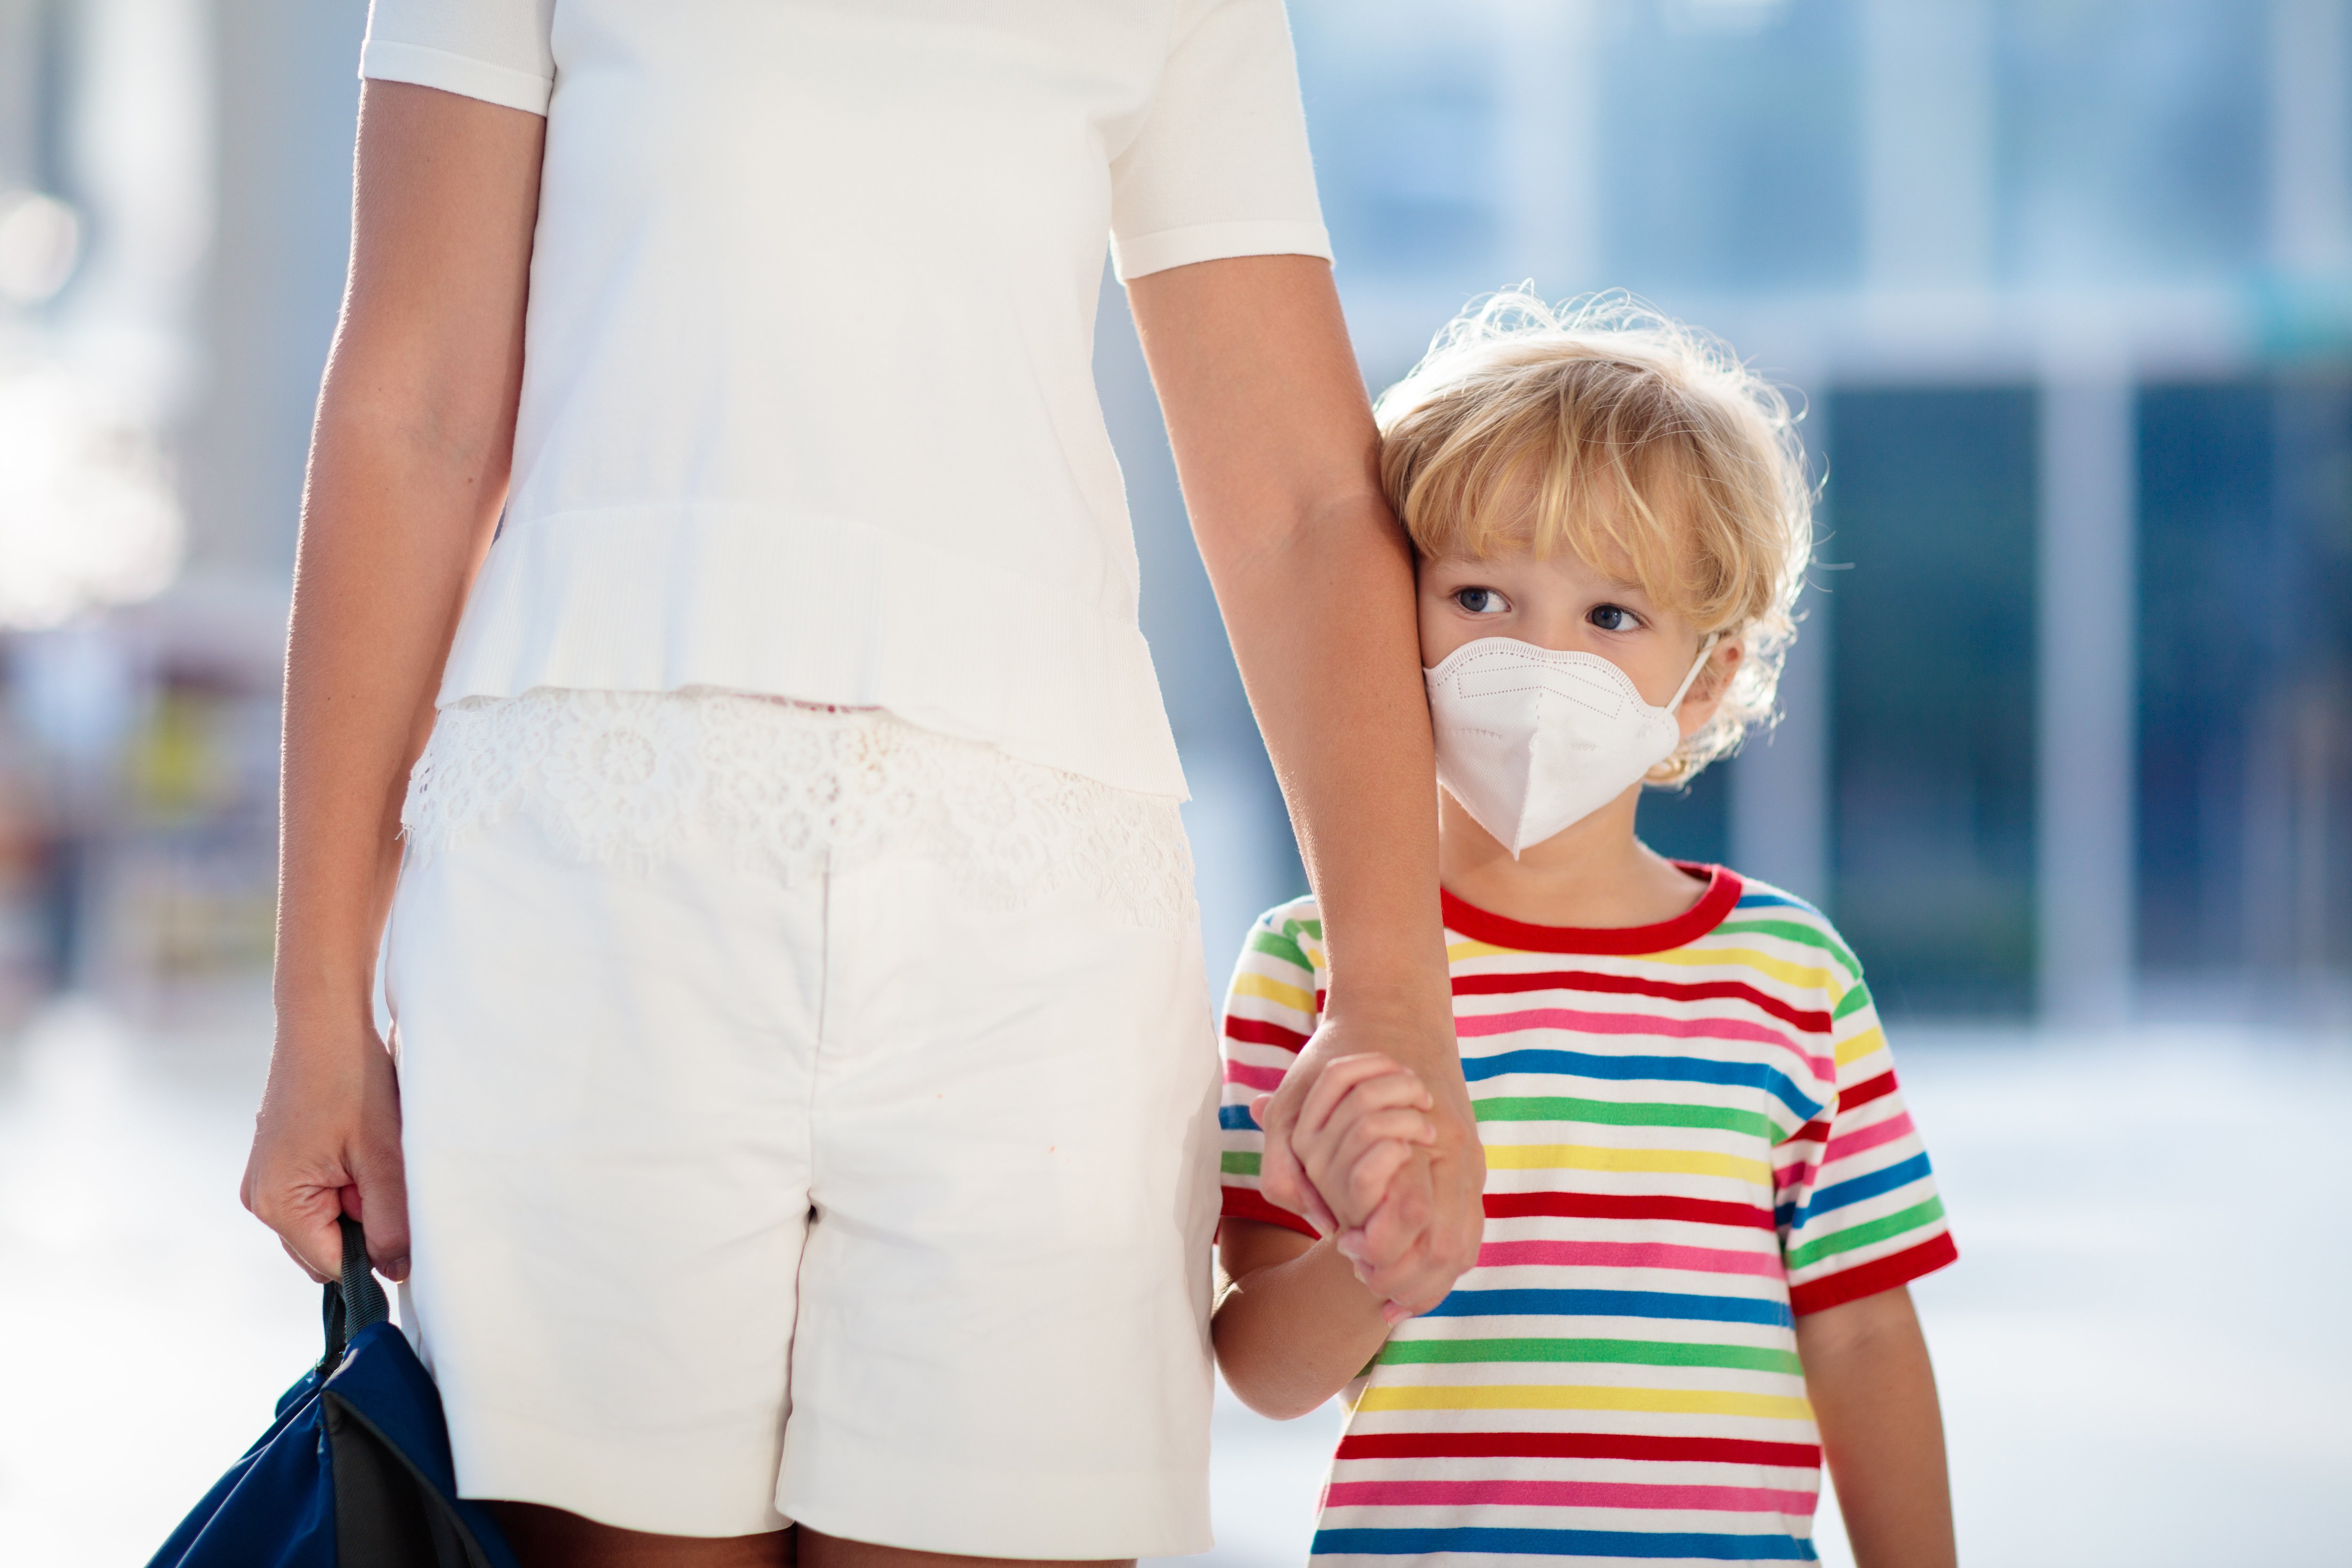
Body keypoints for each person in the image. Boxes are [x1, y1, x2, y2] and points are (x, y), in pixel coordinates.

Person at [238, 5, 1486, 1566]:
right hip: (596, 898)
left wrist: (1394, 1002)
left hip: (1035, 910)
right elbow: (411, 411)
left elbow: (1304, 501)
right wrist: (316, 1014)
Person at [1211, 291, 1961, 1568]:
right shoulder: (1314, 965)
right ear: (1387, 612)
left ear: (1707, 677)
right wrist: (1372, 1259)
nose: (1536, 660)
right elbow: (1260, 1369)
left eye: (1612, 618)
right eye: (1480, 596)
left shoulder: (1788, 979)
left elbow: (1865, 1334)